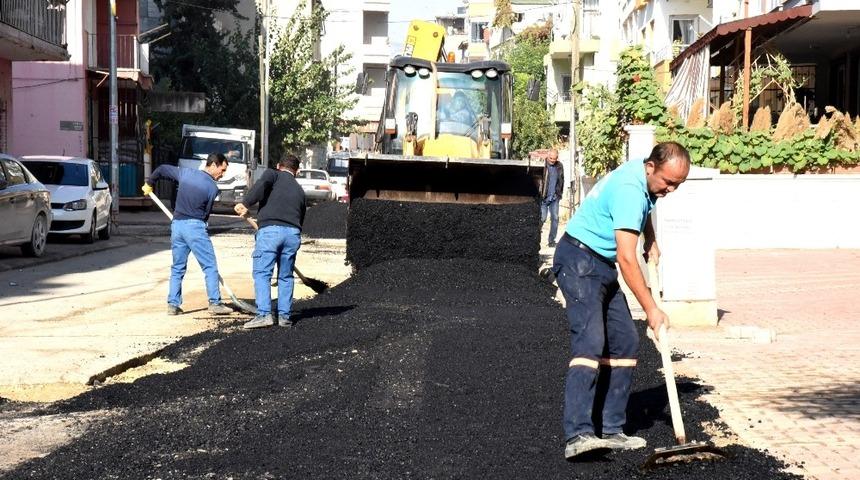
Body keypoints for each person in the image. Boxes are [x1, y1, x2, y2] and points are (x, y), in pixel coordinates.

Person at [552, 141, 691, 460]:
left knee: (625, 341)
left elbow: (645, 207)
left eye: (677, 185)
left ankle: (612, 429)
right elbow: (627, 260)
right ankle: (578, 434)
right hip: (578, 259)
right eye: (668, 182)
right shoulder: (631, 189)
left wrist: (651, 239)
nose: (670, 190)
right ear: (651, 167)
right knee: (590, 340)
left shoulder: (644, 181)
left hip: (599, 263)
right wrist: (652, 310)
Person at [141, 153, 233, 316]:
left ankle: (173, 304)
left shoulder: (185, 173)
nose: (223, 174)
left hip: (177, 225)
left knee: (177, 267)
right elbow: (205, 215)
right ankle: (215, 303)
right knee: (209, 266)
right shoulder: (212, 187)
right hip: (195, 227)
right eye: (222, 169)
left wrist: (149, 183)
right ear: (213, 165)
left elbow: (161, 169)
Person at [234, 154, 306, 329]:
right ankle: (285, 317)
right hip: (293, 234)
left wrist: (246, 203)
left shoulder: (273, 174)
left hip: (271, 232)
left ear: (279, 166)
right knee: (286, 276)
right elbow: (301, 217)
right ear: (296, 171)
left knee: (262, 273)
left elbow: (262, 184)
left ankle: (264, 314)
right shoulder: (299, 190)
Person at [540, 149, 564, 247]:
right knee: (542, 218)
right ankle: (536, 238)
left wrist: (559, 194)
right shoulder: (542, 165)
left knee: (555, 218)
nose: (552, 160)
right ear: (547, 156)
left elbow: (562, 180)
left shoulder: (559, 166)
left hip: (554, 197)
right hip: (544, 197)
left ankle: (551, 241)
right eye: (551, 158)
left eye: (554, 159)